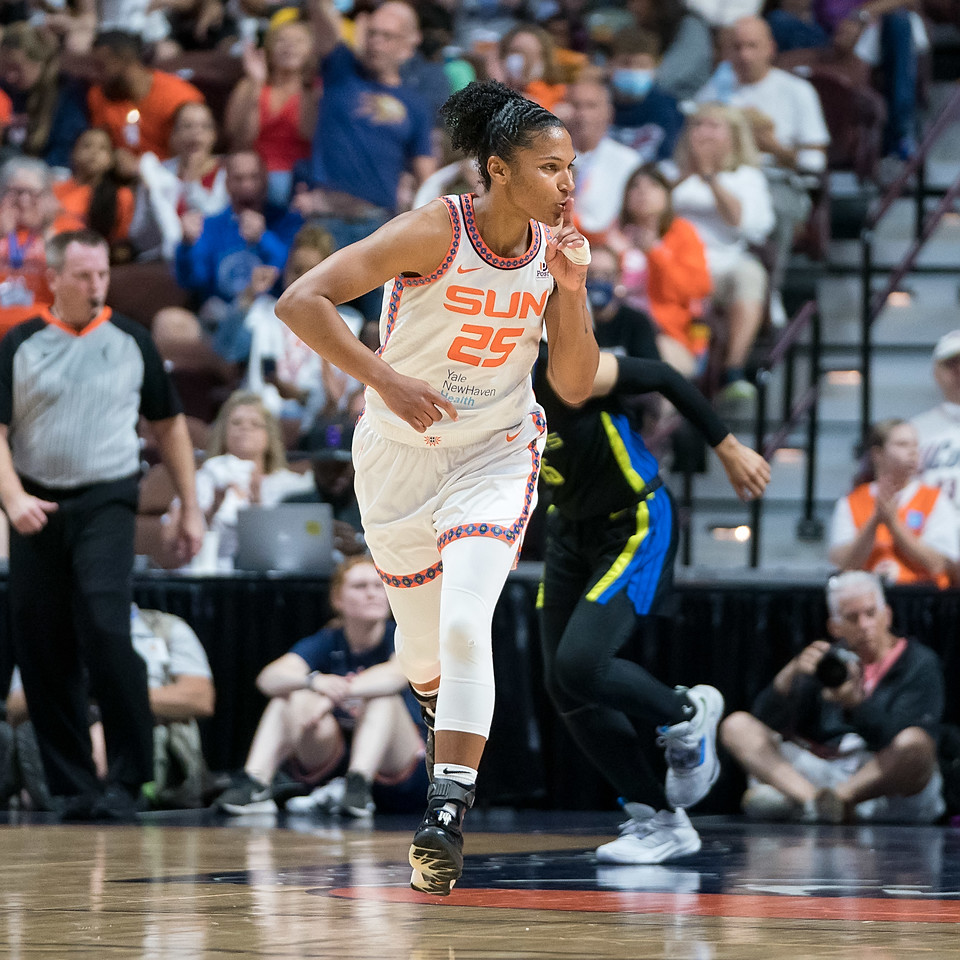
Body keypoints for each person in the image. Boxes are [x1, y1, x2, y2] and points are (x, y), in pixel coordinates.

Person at [275, 80, 600, 896]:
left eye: (572, 166)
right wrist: (384, 380)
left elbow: (574, 380)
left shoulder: (556, 248)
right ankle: (441, 720)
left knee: (465, 624)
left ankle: (445, 810)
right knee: (423, 653)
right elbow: (299, 301)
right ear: (498, 170)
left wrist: (573, 289)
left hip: (495, 449)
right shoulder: (434, 229)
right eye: (551, 167)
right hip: (398, 455)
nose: (568, 183)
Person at [536, 342, 770, 863]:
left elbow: (663, 374)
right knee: (562, 682)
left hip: (633, 520)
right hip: (567, 531)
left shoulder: (560, 367)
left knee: (582, 663)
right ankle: (658, 821)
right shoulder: (468, 387)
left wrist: (726, 446)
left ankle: (687, 713)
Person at [0, 229, 203, 818]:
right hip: (34, 502)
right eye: (83, 276)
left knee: (105, 623)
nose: (96, 286)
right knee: (40, 642)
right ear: (54, 278)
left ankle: (129, 777)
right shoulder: (20, 344)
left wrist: (188, 506)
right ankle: (70, 787)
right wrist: (12, 499)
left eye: (102, 276)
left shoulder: (132, 341)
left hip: (107, 500)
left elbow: (169, 428)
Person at [720, 571, 946, 824]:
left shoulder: (918, 662)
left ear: (887, 614)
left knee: (917, 744)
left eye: (871, 613)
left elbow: (901, 739)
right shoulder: (828, 662)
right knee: (737, 725)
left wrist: (855, 706)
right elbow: (767, 721)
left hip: (880, 778)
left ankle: (824, 801)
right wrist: (788, 677)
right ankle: (814, 801)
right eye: (852, 617)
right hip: (826, 769)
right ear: (835, 627)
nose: (864, 625)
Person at [213, 556, 428, 818]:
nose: (372, 593)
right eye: (360, 587)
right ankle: (255, 783)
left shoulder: (401, 637)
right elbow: (269, 678)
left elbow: (396, 676)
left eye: (379, 585)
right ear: (337, 599)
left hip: (399, 768)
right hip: (333, 763)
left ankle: (358, 783)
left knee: (382, 698)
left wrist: (329, 697)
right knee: (287, 697)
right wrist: (313, 681)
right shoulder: (328, 640)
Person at [4, 604, 217, 810]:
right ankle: (68, 795)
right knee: (23, 731)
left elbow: (200, 699)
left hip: (145, 728)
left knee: (151, 728)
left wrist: (117, 695)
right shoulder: (49, 634)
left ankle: (132, 789)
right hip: (73, 730)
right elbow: (15, 707)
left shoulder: (165, 627)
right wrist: (86, 692)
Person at [696, 16, 829, 324]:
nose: (744, 55)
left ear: (770, 48)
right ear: (726, 52)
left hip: (779, 180)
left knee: (775, 209)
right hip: (722, 176)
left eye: (752, 46)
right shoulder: (715, 91)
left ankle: (769, 292)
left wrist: (775, 148)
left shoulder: (797, 91)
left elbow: (815, 163)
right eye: (737, 47)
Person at [670, 103, 775, 400]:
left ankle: (734, 368)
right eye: (698, 125)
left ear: (733, 135)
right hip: (676, 264)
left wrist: (709, 177)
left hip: (724, 265)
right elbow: (651, 211)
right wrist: (686, 174)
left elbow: (741, 223)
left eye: (713, 126)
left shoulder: (746, 177)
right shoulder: (670, 173)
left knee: (750, 274)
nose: (703, 132)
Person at [160, 390, 315, 569]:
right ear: (224, 431)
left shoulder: (289, 485)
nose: (245, 428)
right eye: (236, 422)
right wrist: (211, 511)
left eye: (255, 424)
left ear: (270, 436)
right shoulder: (202, 480)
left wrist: (257, 504)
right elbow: (169, 541)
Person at [607, 165, 712, 377]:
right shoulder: (613, 234)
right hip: (617, 328)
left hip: (666, 334)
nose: (643, 192)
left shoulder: (682, 233)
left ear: (667, 195)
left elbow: (694, 289)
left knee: (656, 360)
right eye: (635, 186)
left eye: (653, 185)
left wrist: (654, 252)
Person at [828, 418, 959, 587]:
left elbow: (937, 565)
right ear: (877, 454)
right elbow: (844, 565)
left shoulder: (935, 499)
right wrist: (875, 520)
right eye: (902, 445)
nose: (913, 451)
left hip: (921, 600)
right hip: (868, 600)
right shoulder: (851, 501)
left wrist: (893, 523)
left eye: (915, 445)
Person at [173, 149, 303, 320]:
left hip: (273, 317)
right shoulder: (210, 226)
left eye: (253, 177)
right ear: (227, 183)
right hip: (223, 318)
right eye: (239, 178)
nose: (247, 185)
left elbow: (296, 273)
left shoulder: (288, 221)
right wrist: (186, 246)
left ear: (266, 179)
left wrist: (263, 238)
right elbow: (193, 280)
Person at [223, 18, 319, 207]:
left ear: (310, 51)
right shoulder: (249, 85)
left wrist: (308, 88)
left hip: (298, 177)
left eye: (298, 42)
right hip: (254, 176)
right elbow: (242, 139)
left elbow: (309, 133)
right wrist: (256, 86)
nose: (289, 47)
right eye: (281, 40)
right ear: (269, 48)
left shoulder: (314, 91)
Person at [87, 30, 205, 181]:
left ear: (123, 59)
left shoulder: (179, 97)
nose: (94, 75)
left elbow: (195, 154)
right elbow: (100, 141)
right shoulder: (98, 95)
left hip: (170, 181)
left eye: (100, 66)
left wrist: (145, 169)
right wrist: (114, 155)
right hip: (119, 183)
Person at [129, 101, 228, 262]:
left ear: (214, 135)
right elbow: (139, 239)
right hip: (164, 264)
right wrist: (148, 198)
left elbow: (217, 226)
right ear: (174, 135)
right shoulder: (157, 173)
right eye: (187, 126)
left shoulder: (227, 172)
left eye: (204, 127)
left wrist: (193, 181)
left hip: (212, 261)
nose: (196, 133)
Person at [562, 77, 643, 246]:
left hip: (607, 251)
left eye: (591, 106)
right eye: (576, 105)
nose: (582, 114)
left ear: (609, 113)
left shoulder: (629, 161)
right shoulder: (550, 157)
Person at [0, 23, 89, 170]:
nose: (10, 77)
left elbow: (64, 153)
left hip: (48, 174)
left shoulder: (66, 94)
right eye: (4, 68)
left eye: (16, 69)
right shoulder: (5, 89)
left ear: (40, 62)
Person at [52, 128, 135, 255]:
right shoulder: (54, 190)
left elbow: (121, 241)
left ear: (111, 159)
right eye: (87, 146)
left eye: (102, 148)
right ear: (73, 153)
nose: (94, 152)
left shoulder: (122, 196)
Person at [912, 330, 960, 527]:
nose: (959, 371)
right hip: (931, 537)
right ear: (936, 373)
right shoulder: (913, 431)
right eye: (951, 364)